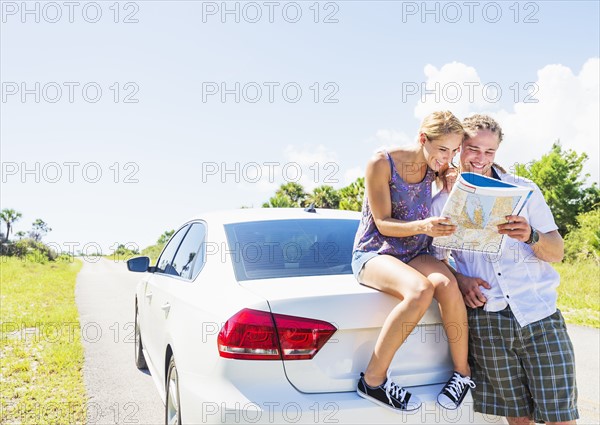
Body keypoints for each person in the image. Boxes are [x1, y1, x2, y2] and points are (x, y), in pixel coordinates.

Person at [432, 114, 579, 425]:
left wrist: (531, 235)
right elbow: (435, 257)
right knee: (517, 420)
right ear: (459, 147)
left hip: (539, 314)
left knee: (561, 419)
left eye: (490, 152)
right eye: (473, 149)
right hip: (487, 321)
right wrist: (460, 280)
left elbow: (557, 251)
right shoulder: (441, 199)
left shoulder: (523, 190)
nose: (480, 159)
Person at [352, 110, 475, 413]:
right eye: (443, 149)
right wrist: (424, 226)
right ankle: (373, 380)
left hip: (415, 252)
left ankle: (463, 374)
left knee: (446, 284)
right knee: (421, 291)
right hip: (376, 251)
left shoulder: (438, 168)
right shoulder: (381, 162)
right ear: (423, 139)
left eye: (454, 151)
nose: (448, 158)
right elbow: (382, 223)